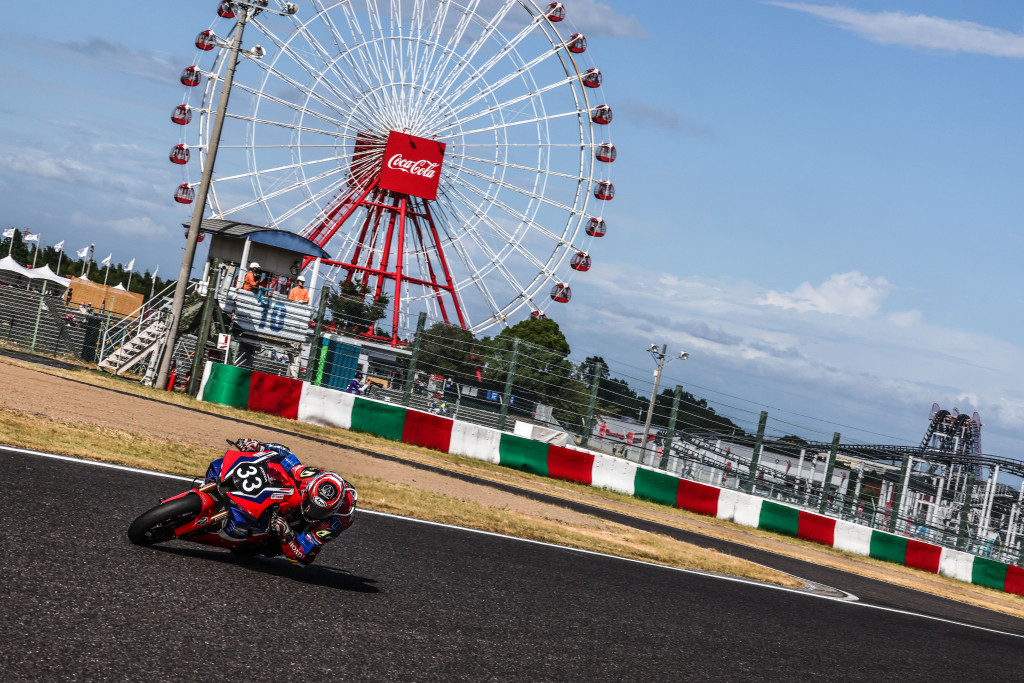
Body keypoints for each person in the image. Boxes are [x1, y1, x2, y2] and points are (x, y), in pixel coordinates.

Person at [206, 439, 357, 565]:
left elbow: (299, 555)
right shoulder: (308, 477)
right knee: (276, 472)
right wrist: (259, 446)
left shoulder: (334, 524)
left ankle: (264, 537)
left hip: (310, 528)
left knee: (303, 559)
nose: (311, 510)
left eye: (318, 510)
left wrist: (287, 534)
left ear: (331, 511)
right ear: (310, 489)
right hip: (309, 490)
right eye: (312, 504)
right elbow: (286, 454)